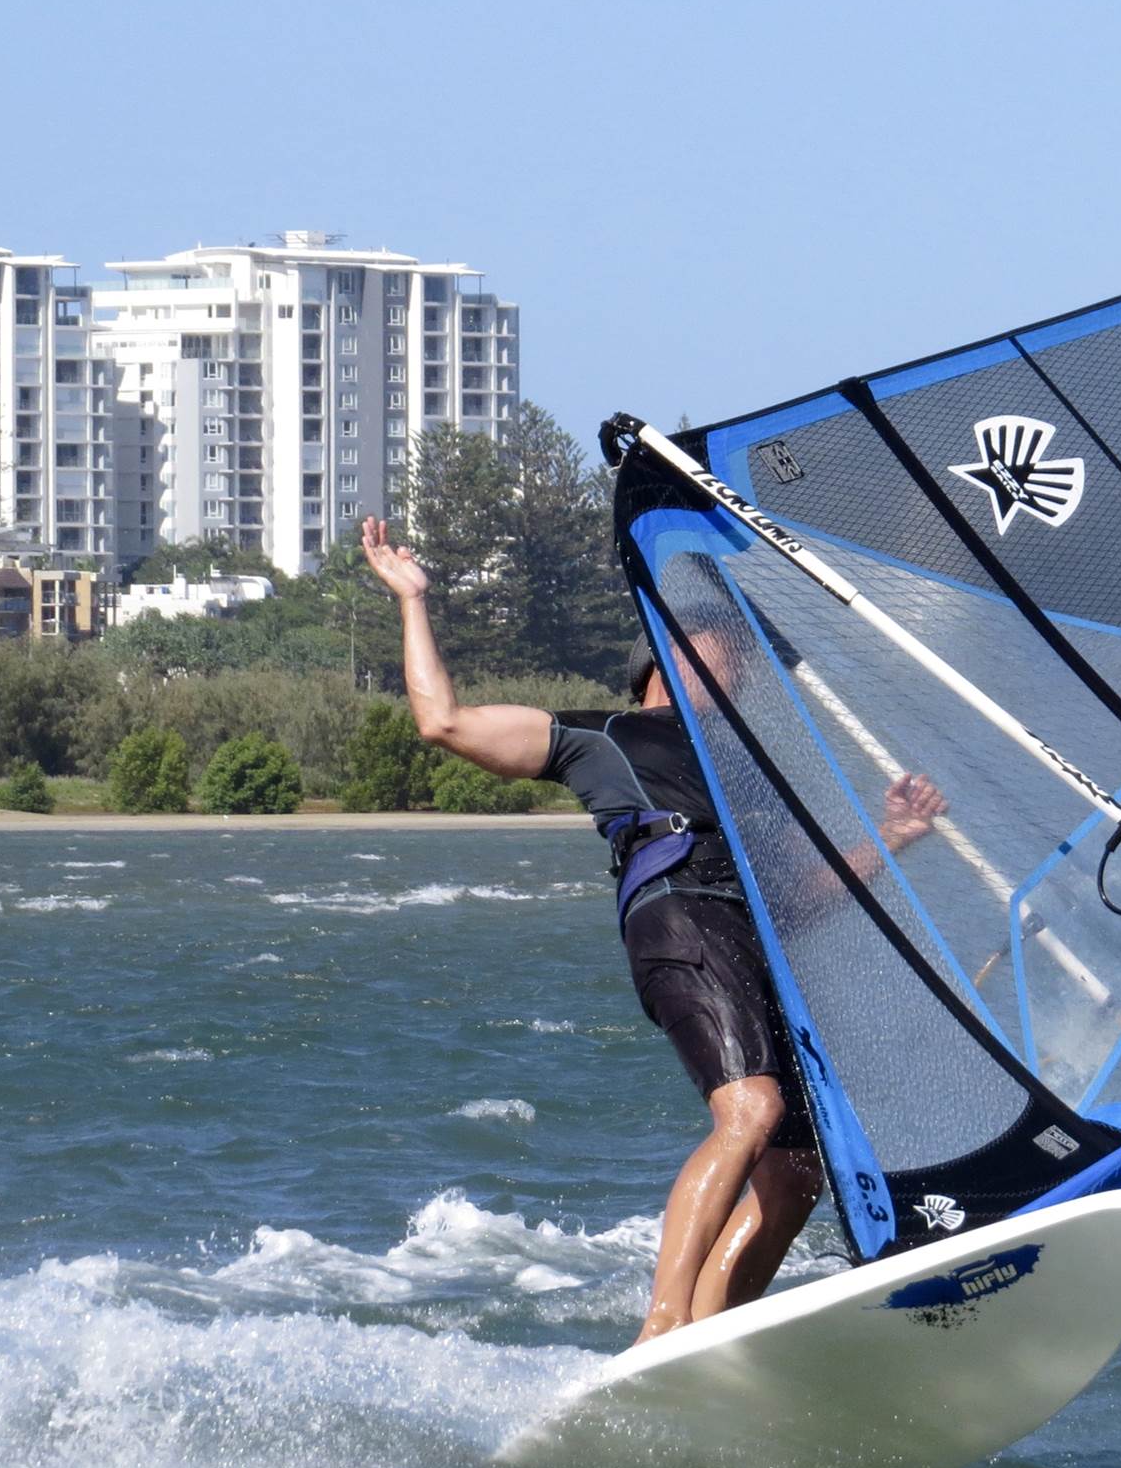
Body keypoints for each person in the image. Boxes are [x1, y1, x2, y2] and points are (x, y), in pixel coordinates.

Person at [358, 516, 947, 1342]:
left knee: (796, 1167)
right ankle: (663, 1323)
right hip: (680, 914)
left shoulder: (747, 772)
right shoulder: (603, 738)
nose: (749, 676)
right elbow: (443, 721)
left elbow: (798, 902)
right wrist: (413, 601)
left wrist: (890, 838)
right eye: (736, 656)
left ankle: (710, 1333)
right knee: (749, 1110)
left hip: (751, 939)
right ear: (676, 654)